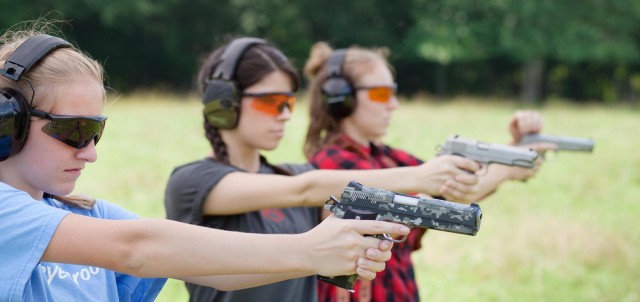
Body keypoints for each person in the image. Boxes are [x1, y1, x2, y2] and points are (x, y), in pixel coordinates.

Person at [0, 27, 415, 302]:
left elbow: (216, 270)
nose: (90, 152)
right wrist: (309, 249)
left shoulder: (85, 213)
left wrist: (314, 257)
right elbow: (138, 248)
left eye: (96, 132)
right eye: (74, 130)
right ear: (8, 122)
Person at [163, 37, 483, 302]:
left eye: (288, 103)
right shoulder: (192, 182)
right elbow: (304, 189)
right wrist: (417, 175)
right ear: (224, 102)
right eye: (270, 102)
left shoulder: (292, 173)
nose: (285, 114)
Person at [303, 42, 554, 302]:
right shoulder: (332, 162)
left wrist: (515, 150)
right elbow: (435, 200)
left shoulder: (387, 157)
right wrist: (510, 168)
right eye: (381, 94)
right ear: (342, 98)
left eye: (394, 92)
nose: (394, 105)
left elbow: (456, 183)